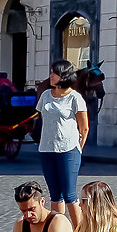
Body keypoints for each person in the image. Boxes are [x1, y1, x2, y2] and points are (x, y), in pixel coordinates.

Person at [35, 62, 91, 222]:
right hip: (46, 149)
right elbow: (42, 118)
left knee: (69, 195)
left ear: (65, 76)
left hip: (68, 151)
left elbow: (84, 128)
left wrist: (78, 148)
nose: (51, 76)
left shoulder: (75, 98)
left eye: (55, 73)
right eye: (51, 72)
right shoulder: (46, 95)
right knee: (55, 195)